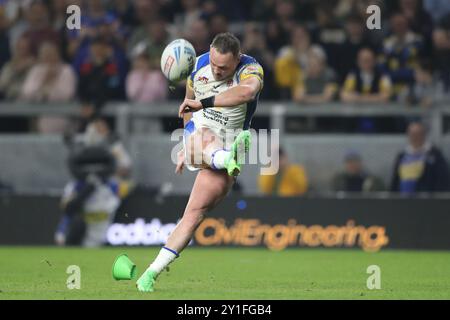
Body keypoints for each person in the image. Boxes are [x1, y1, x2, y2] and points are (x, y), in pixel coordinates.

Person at [135, 32, 264, 292]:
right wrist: (187, 146)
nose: (217, 72)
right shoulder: (197, 67)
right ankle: (224, 158)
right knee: (201, 136)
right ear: (209, 53)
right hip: (204, 143)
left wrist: (204, 103)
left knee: (195, 215)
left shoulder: (251, 68)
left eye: (224, 68)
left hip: (228, 141)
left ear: (237, 59)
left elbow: (246, 94)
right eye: (215, 65)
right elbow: (187, 110)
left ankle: (149, 274)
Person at [390, 122, 450, 194]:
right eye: (412, 134)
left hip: (427, 200)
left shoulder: (435, 155)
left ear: (424, 135)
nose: (415, 137)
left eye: (418, 134)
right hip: (403, 199)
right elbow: (395, 180)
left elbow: (442, 179)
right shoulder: (402, 155)